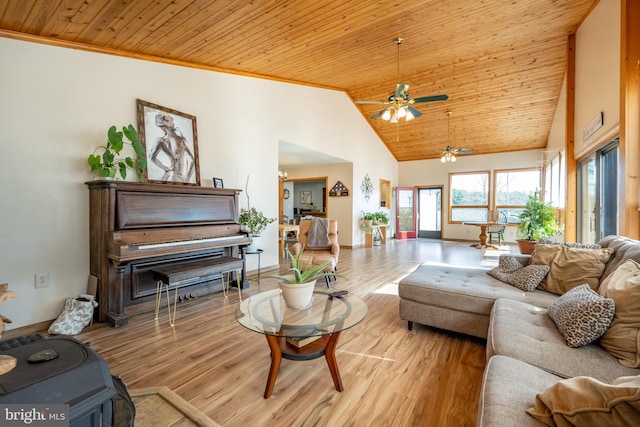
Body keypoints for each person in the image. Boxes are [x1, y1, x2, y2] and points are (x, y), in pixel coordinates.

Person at [149, 113, 195, 183]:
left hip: (175, 176)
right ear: (164, 127)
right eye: (169, 120)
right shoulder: (162, 141)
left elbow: (194, 159)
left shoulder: (181, 140)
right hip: (175, 176)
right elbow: (151, 157)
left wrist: (188, 177)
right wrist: (165, 168)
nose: (173, 122)